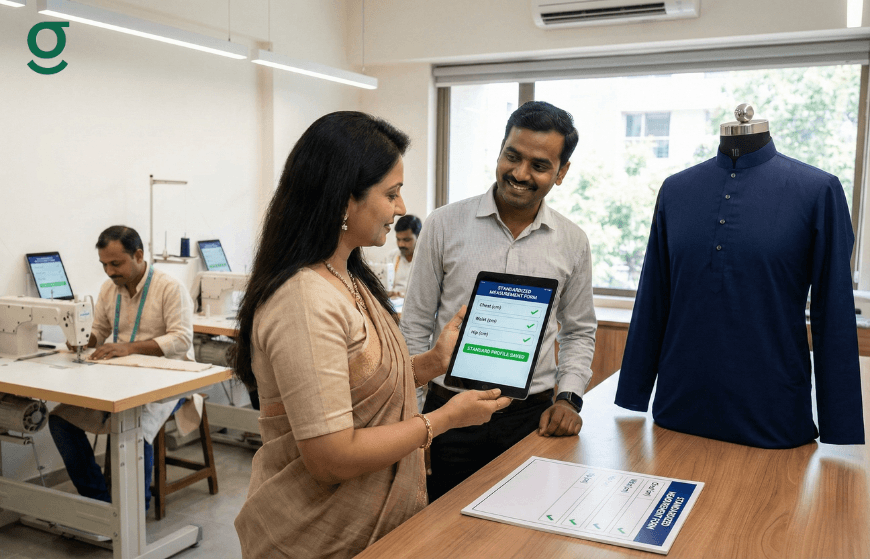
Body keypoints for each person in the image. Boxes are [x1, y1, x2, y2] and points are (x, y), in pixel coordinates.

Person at [230, 111, 511, 558]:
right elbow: (330, 457)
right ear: (344, 201)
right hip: (314, 536)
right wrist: (443, 420)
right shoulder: (305, 300)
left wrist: (433, 364)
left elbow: (357, 382)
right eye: (391, 194)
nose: (401, 208)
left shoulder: (348, 276)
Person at [401, 101, 597, 501]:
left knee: (523, 536)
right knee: (443, 535)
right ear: (501, 151)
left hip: (531, 418)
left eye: (540, 165)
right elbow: (416, 324)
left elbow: (579, 331)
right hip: (448, 413)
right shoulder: (443, 224)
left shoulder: (573, 242)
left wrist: (569, 398)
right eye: (513, 156)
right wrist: (414, 417)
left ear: (561, 173)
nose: (520, 174)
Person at [49, 225, 194, 510]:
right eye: (104, 265)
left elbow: (181, 338)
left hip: (167, 379)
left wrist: (129, 347)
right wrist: (80, 339)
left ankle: (135, 509)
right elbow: (99, 330)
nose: (110, 272)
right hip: (120, 377)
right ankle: (101, 505)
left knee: (135, 425)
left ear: (138, 255)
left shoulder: (169, 287)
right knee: (60, 420)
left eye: (116, 263)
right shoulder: (109, 289)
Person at [387, 214, 422, 298]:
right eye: (398, 239)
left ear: (419, 237)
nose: (401, 244)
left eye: (406, 240)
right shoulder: (392, 256)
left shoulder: (428, 260)